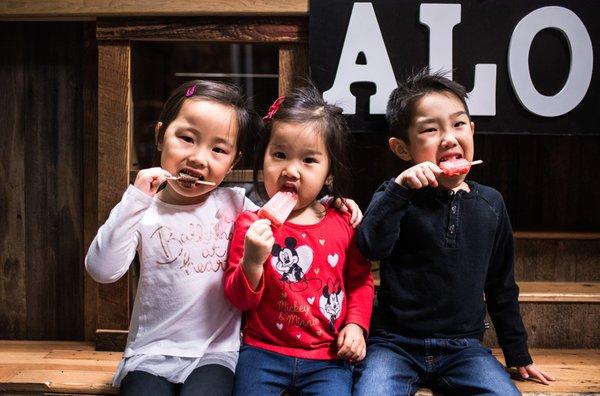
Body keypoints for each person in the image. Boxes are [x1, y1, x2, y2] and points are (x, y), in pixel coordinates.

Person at [85, 80, 362, 396]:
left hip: (215, 355)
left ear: (234, 160)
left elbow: (294, 216)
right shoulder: (143, 210)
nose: (199, 158)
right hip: (151, 355)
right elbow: (103, 270)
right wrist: (134, 199)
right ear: (161, 135)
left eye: (218, 149)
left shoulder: (237, 206)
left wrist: (330, 203)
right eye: (187, 139)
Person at [352, 70, 555, 395]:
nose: (449, 137)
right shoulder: (394, 195)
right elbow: (369, 246)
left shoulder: (490, 204)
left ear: (472, 131)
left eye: (459, 124)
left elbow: (501, 285)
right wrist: (400, 188)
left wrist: (518, 353)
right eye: (431, 129)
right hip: (394, 344)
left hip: (463, 349)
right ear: (402, 149)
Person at [224, 86, 374, 396]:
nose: (291, 170)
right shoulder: (251, 225)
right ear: (263, 158)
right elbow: (239, 300)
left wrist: (356, 326)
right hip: (262, 352)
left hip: (328, 358)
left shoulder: (343, 221)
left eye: (308, 160)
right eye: (279, 155)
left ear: (329, 172)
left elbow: (360, 281)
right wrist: (252, 260)